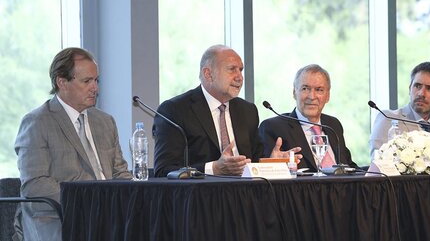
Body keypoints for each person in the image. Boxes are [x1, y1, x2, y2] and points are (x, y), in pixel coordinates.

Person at [14, 47, 132, 241]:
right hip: (61, 219)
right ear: (62, 82)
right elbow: (35, 185)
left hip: (109, 218)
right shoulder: (37, 122)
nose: (95, 88)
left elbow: (120, 173)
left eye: (96, 80)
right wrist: (91, 201)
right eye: (87, 81)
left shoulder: (105, 121)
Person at [153, 44, 301, 177]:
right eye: (232, 69)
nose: (240, 77)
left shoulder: (247, 110)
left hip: (244, 197)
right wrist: (213, 168)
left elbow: (253, 162)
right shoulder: (175, 110)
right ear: (208, 74)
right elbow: (164, 169)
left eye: (241, 70)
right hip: (201, 199)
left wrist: (271, 163)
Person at [259, 64, 358, 172]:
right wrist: (273, 165)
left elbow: (349, 166)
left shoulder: (333, 125)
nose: (312, 96)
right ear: (294, 93)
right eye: (305, 88)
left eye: (319, 90)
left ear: (327, 96)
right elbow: (265, 174)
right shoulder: (273, 127)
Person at [369, 61, 430, 159]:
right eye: (417, 86)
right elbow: (378, 160)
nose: (421, 93)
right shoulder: (389, 118)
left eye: (429, 88)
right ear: (410, 88)